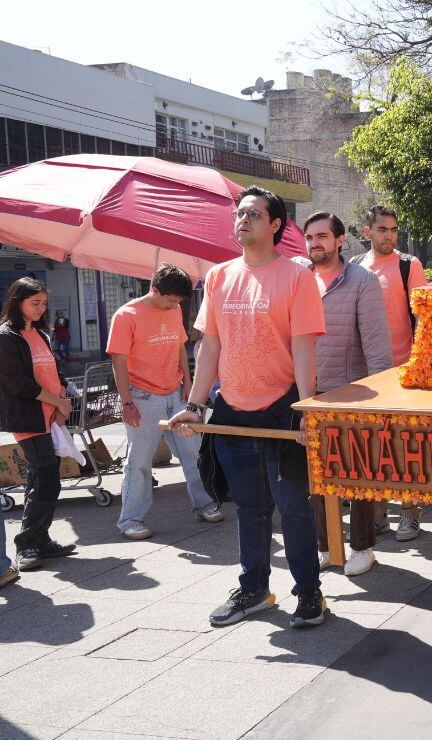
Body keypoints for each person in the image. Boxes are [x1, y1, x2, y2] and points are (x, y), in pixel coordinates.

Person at [168, 186, 329, 629]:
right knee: (250, 508)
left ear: (276, 225)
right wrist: (196, 406)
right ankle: (255, 590)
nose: (243, 220)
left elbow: (304, 351)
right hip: (232, 410)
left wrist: (303, 409)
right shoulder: (218, 277)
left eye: (254, 214)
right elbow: (210, 348)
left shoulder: (298, 278)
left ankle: (309, 592)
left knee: (293, 507)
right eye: (239, 214)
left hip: (282, 409)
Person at [303, 211, 394, 576]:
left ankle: (362, 547)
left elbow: (376, 344)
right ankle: (327, 546)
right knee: (316, 479)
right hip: (309, 394)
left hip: (354, 394)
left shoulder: (362, 281)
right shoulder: (299, 278)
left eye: (322, 236)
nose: (315, 244)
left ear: (340, 240)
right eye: (310, 237)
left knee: (357, 474)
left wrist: (383, 397)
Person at [108, 265, 223, 540]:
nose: (175, 306)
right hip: (142, 396)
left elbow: (180, 348)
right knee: (139, 461)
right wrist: (127, 402)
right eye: (171, 300)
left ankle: (204, 503)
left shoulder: (175, 309)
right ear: (155, 290)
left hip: (176, 393)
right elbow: (118, 362)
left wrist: (189, 384)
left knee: (193, 453)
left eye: (179, 302)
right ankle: (130, 520)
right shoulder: (126, 315)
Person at [351, 204, 426, 541]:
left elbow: (424, 319)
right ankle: (377, 514)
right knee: (371, 447)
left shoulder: (409, 265)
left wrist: (419, 364)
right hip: (366, 376)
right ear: (368, 232)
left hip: (403, 372)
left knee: (406, 446)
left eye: (394, 229)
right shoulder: (354, 267)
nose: (390, 235)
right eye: (383, 229)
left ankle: (410, 514)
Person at [0, 278, 75, 571]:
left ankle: (39, 539)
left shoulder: (40, 334)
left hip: (51, 417)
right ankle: (27, 543)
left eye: (44, 303)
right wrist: (57, 403)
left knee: (42, 478)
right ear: (17, 301)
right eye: (35, 303)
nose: (41, 309)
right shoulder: (7, 336)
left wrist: (63, 396)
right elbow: (18, 383)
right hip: (28, 417)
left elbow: (52, 371)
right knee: (46, 479)